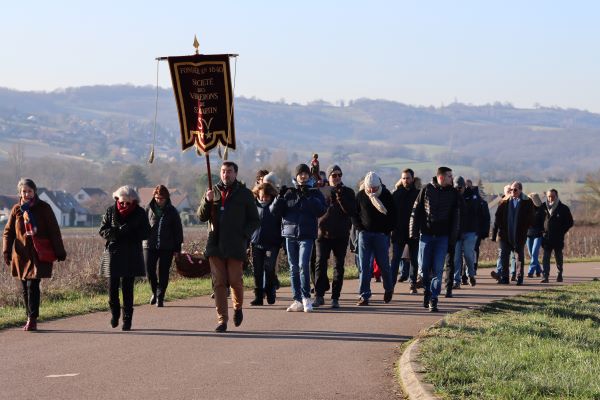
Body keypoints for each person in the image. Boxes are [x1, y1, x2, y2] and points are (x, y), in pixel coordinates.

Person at [198, 161, 260, 332]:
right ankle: (222, 320)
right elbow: (201, 216)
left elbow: (254, 220)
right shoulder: (212, 191)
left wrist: (244, 235)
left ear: (236, 173)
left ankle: (238, 308)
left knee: (235, 281)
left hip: (235, 244)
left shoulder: (245, 194)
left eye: (229, 171)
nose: (226, 174)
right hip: (215, 244)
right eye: (223, 171)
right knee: (219, 283)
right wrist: (206, 201)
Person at [2, 178, 67, 331]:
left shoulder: (44, 208)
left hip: (38, 253)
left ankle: (32, 318)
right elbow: (8, 232)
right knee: (25, 287)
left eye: (29, 191)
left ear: (34, 191)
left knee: (33, 285)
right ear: (20, 192)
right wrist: (6, 251)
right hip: (21, 254)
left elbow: (54, 231)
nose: (27, 194)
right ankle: (28, 316)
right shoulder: (16, 209)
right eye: (24, 191)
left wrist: (59, 251)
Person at [272, 163, 327, 312]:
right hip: (289, 234)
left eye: (305, 173)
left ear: (309, 176)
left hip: (307, 234)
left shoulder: (315, 192)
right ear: (295, 176)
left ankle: (306, 298)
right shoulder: (289, 192)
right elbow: (275, 212)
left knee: (303, 265)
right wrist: (279, 197)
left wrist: (309, 197)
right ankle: (297, 300)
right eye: (300, 174)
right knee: (293, 268)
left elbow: (321, 210)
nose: (303, 176)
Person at [99, 185, 150, 331]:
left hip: (131, 253)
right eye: (122, 202)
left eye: (128, 203)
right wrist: (117, 232)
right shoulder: (110, 211)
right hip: (113, 253)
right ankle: (115, 314)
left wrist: (132, 232)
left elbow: (147, 232)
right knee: (112, 289)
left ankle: (127, 319)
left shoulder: (140, 212)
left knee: (128, 289)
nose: (124, 205)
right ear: (117, 199)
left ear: (134, 201)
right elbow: (102, 231)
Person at [410, 167, 461, 312]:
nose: (452, 179)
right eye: (450, 176)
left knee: (438, 269)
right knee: (425, 268)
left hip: (442, 238)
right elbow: (416, 210)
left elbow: (456, 217)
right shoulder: (426, 190)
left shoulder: (453, 194)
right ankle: (427, 291)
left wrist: (453, 238)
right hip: (425, 236)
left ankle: (434, 298)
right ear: (441, 177)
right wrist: (413, 232)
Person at [313, 165, 356, 309]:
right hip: (322, 234)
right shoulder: (322, 192)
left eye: (339, 175)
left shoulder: (348, 192)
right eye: (334, 175)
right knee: (320, 263)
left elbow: (350, 211)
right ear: (329, 177)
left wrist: (340, 196)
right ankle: (319, 295)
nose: (337, 177)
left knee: (338, 266)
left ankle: (335, 297)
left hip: (341, 235)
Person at [352, 171, 396, 306]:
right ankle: (364, 295)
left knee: (383, 265)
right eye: (369, 188)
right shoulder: (360, 195)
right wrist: (360, 228)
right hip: (364, 235)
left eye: (374, 188)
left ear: (379, 186)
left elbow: (394, 215)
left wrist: (386, 231)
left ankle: (388, 288)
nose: (371, 191)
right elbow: (355, 215)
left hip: (381, 236)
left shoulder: (386, 195)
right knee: (365, 266)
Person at [143, 185, 184, 307]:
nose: (158, 200)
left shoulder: (172, 211)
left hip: (167, 246)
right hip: (149, 245)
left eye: (161, 198)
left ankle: (160, 296)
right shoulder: (148, 209)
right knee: (149, 271)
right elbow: (142, 226)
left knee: (163, 272)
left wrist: (177, 249)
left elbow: (178, 231)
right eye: (156, 198)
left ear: (166, 198)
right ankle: (155, 292)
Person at [491, 181, 534, 285]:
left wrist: (525, 227)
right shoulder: (504, 201)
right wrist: (494, 233)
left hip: (519, 235)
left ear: (520, 190)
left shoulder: (527, 202)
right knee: (504, 257)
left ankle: (519, 278)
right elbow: (497, 218)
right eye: (511, 190)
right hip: (504, 234)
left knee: (519, 257)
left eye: (515, 190)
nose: (512, 192)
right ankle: (505, 278)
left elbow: (531, 217)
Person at [250, 182, 282, 305]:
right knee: (257, 270)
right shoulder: (253, 206)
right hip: (256, 242)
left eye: (267, 196)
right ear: (258, 194)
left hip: (272, 244)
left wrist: (281, 242)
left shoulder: (276, 207)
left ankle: (270, 291)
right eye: (262, 196)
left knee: (269, 269)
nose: (264, 198)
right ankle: (258, 296)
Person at [391, 168, 420, 294]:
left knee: (414, 259)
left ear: (412, 179)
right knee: (395, 259)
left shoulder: (418, 194)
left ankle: (412, 283)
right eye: (403, 178)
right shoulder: (396, 194)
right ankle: (390, 285)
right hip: (398, 232)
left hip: (413, 232)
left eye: (408, 178)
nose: (405, 180)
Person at [451, 176, 481, 289]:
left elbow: (476, 208)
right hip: (457, 232)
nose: (459, 189)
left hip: (470, 231)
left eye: (460, 187)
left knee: (468, 255)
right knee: (456, 258)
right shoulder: (452, 197)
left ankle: (471, 274)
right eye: (456, 187)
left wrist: (472, 194)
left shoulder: (472, 196)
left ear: (464, 186)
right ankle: (456, 281)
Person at [541, 189, 573, 283]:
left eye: (553, 196)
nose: (551, 198)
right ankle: (545, 276)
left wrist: (562, 231)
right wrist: (541, 231)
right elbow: (538, 219)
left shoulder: (563, 208)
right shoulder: (543, 207)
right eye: (549, 196)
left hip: (558, 238)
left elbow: (570, 222)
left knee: (558, 256)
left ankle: (559, 274)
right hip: (546, 237)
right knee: (545, 257)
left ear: (557, 196)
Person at [526, 193, 544, 278]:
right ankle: (539, 270)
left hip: (538, 234)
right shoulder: (526, 209)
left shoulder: (541, 210)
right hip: (528, 234)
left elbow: (544, 221)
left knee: (534, 253)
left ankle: (530, 271)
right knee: (531, 254)